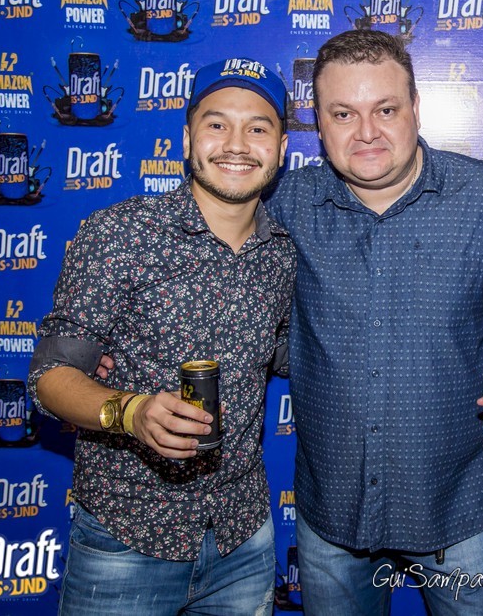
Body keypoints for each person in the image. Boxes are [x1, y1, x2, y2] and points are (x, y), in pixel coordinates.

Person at [267, 29, 483, 615]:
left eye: (385, 109)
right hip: (332, 511)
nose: (366, 132)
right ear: (317, 124)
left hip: (460, 506)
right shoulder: (284, 206)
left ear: (416, 109)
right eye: (343, 114)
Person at [28, 58, 295, 615]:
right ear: (188, 138)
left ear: (281, 148)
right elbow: (50, 378)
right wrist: (130, 412)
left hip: (242, 539)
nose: (237, 144)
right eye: (217, 124)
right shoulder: (119, 233)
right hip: (124, 540)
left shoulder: (284, 256)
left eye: (258, 127)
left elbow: (301, 355)